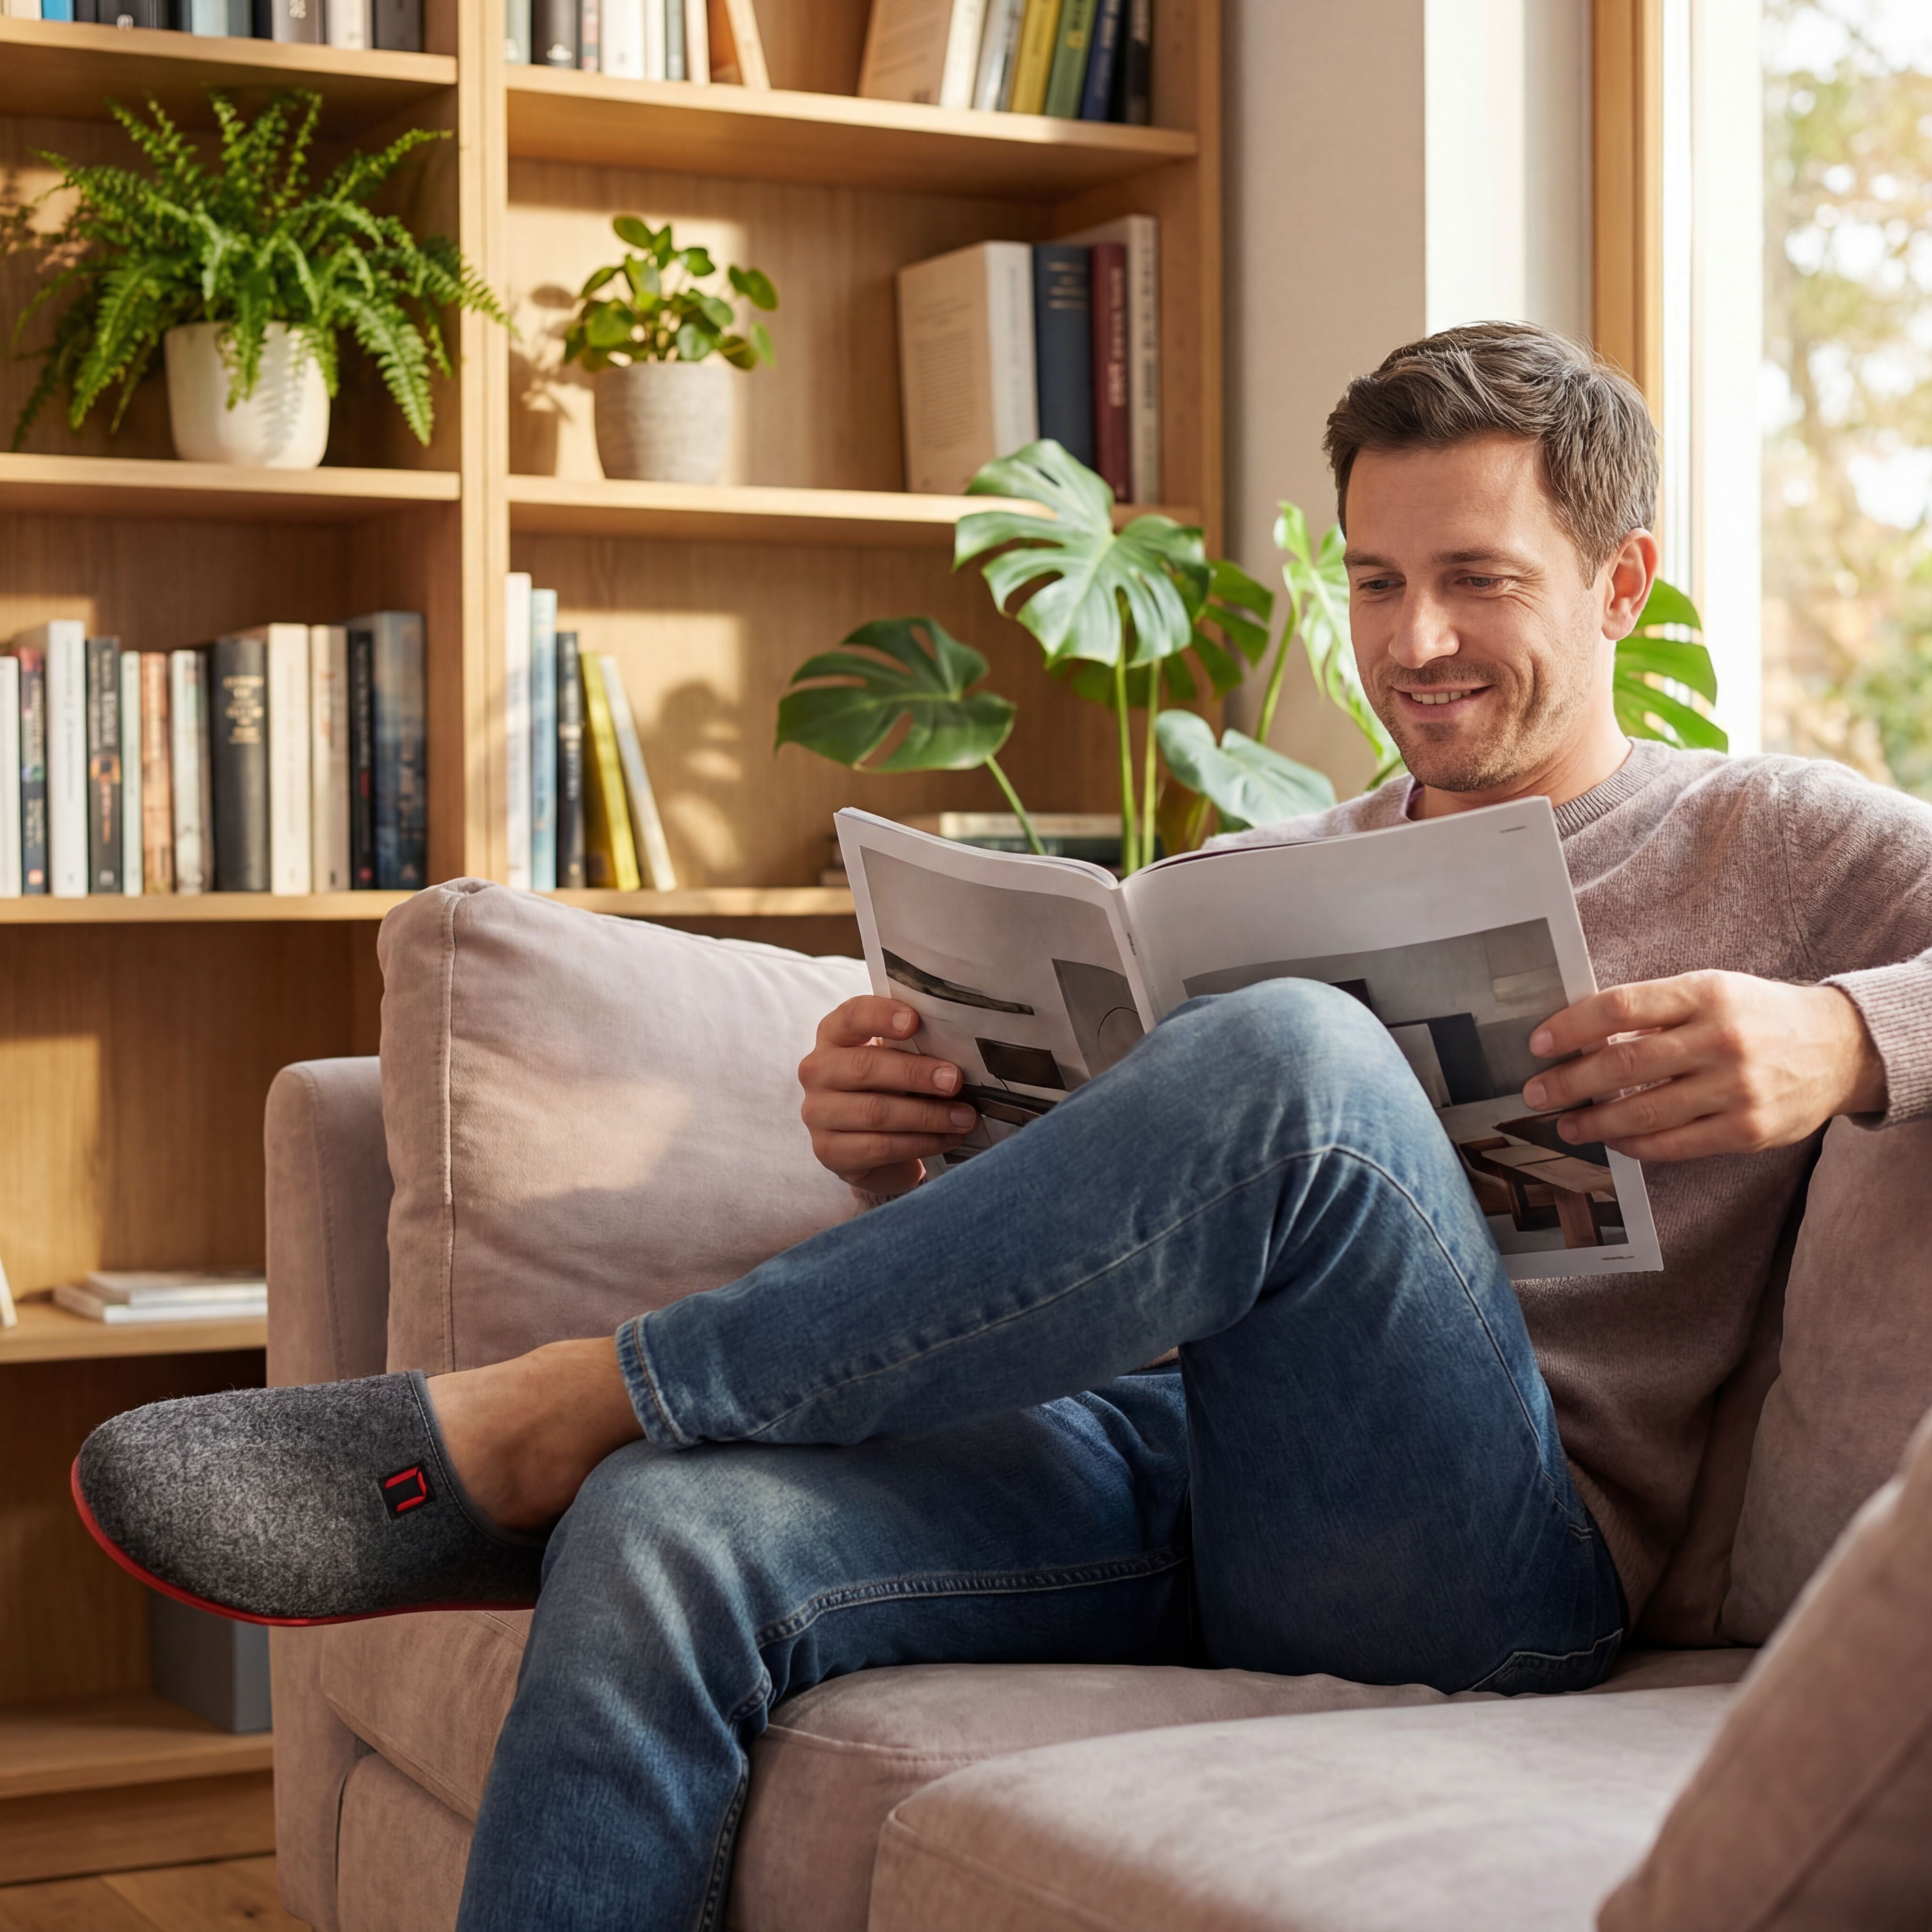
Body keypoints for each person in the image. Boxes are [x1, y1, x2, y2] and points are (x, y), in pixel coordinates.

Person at [74, 324, 1932, 1932]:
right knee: (666, 1528)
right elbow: (1126, 1229)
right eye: (1374, 583)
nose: (1415, 640)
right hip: (1173, 1460)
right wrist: (905, 1136)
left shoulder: (1781, 842)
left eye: (1478, 579)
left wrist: (1842, 1034)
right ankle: (624, 1442)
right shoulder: (1265, 868)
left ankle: (573, 1400)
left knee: (1298, 1054)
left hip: (1487, 1558)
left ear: (1620, 584)